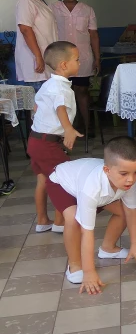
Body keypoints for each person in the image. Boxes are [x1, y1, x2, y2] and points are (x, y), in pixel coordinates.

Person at [46, 137, 136, 293]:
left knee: (123, 212)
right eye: (124, 173)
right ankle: (74, 265)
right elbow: (87, 233)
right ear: (107, 170)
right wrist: (89, 271)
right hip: (62, 183)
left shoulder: (127, 179)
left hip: (89, 185)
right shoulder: (91, 189)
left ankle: (108, 248)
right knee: (73, 219)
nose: (131, 179)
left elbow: (132, 212)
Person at [29, 41, 84, 233]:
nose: (80, 62)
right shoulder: (61, 89)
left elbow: (36, 108)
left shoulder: (47, 84)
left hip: (36, 140)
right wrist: (68, 129)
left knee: (43, 180)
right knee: (63, 178)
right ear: (64, 65)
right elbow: (60, 108)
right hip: (47, 145)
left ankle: (43, 220)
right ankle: (60, 222)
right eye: (77, 59)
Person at [51, 0, 101, 137]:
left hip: (82, 59)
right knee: (63, 94)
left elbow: (93, 35)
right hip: (60, 60)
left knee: (82, 90)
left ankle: (87, 127)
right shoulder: (52, 9)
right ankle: (65, 129)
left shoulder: (87, 9)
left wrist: (97, 58)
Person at [15, 0, 58, 91]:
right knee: (40, 106)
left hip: (45, 58)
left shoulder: (39, 1)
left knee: (47, 104)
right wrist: (38, 56)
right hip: (35, 60)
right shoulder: (26, 1)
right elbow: (25, 29)